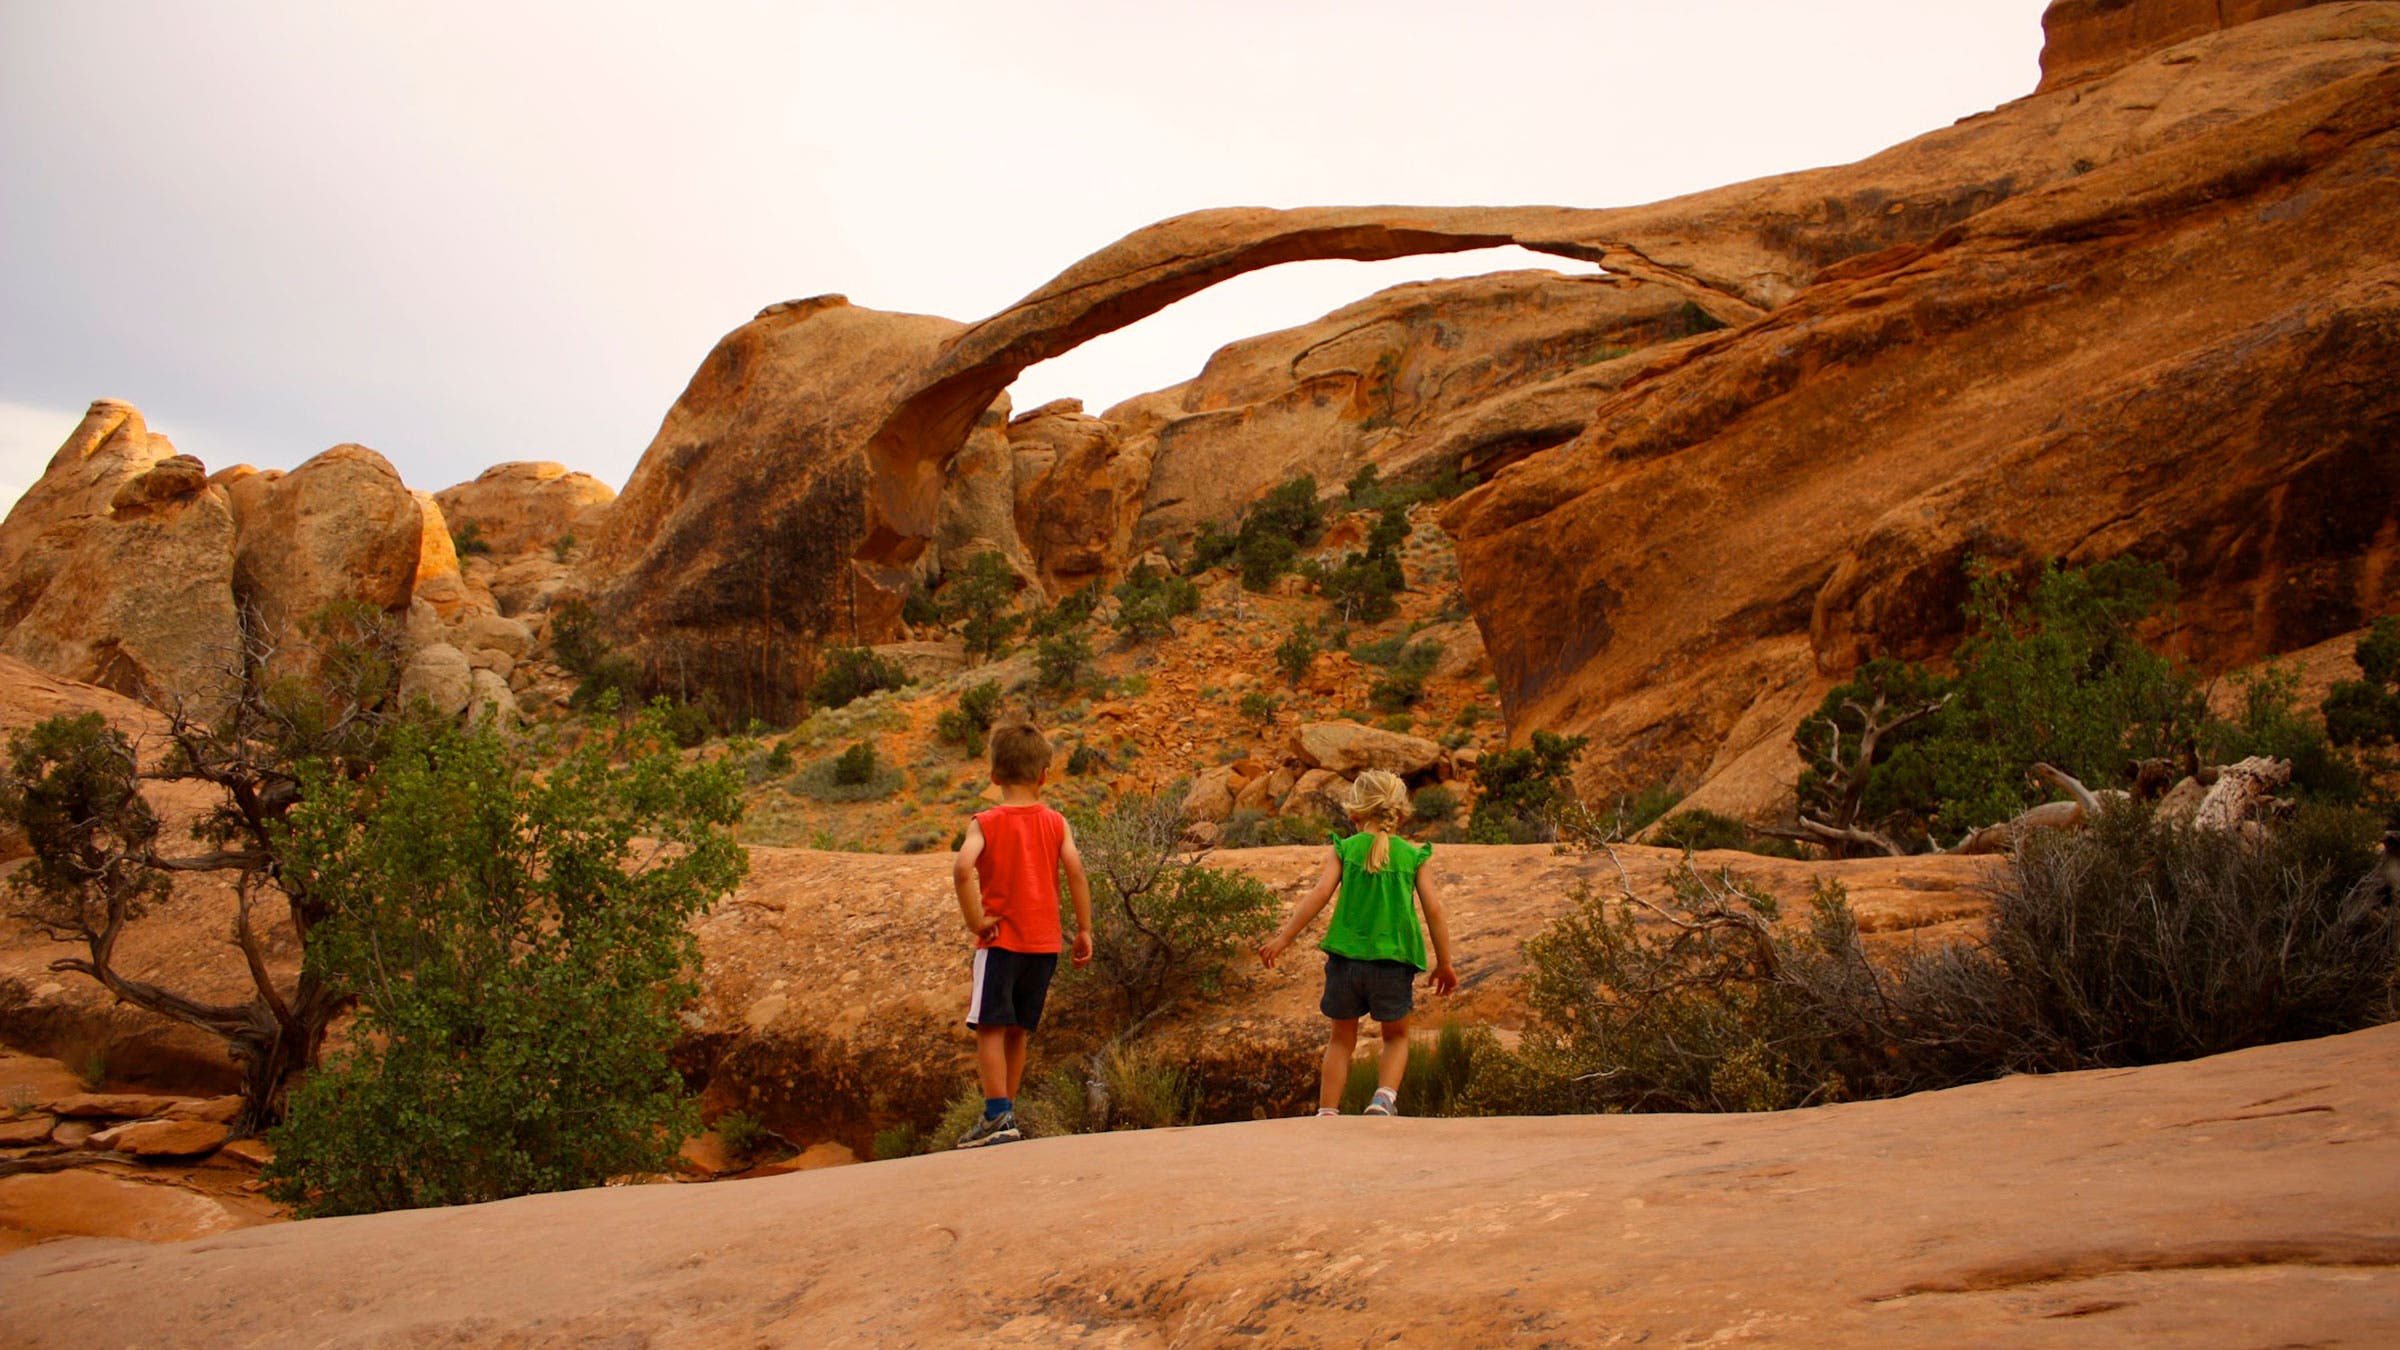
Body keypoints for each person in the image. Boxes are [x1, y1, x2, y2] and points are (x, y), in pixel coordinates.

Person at [1258, 769, 1458, 1116]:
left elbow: (1319, 894)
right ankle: (1382, 1100)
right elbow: (1434, 909)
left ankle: (1327, 1111)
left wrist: (1283, 938)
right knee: (1395, 1037)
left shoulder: (1345, 849)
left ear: (1355, 812)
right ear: (1398, 811)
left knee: (1340, 1039)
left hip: (1346, 961)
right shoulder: (1412, 856)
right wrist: (1445, 962)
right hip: (1393, 962)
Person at [950, 721, 1093, 1148]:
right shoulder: (1056, 822)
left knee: (990, 1027)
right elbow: (1076, 871)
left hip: (1002, 943)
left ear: (994, 775)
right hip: (1044, 943)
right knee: (1018, 1030)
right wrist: (1084, 929)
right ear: (1044, 775)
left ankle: (997, 1115)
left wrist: (976, 920)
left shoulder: (986, 822)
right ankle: (1006, 1112)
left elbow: (962, 869)